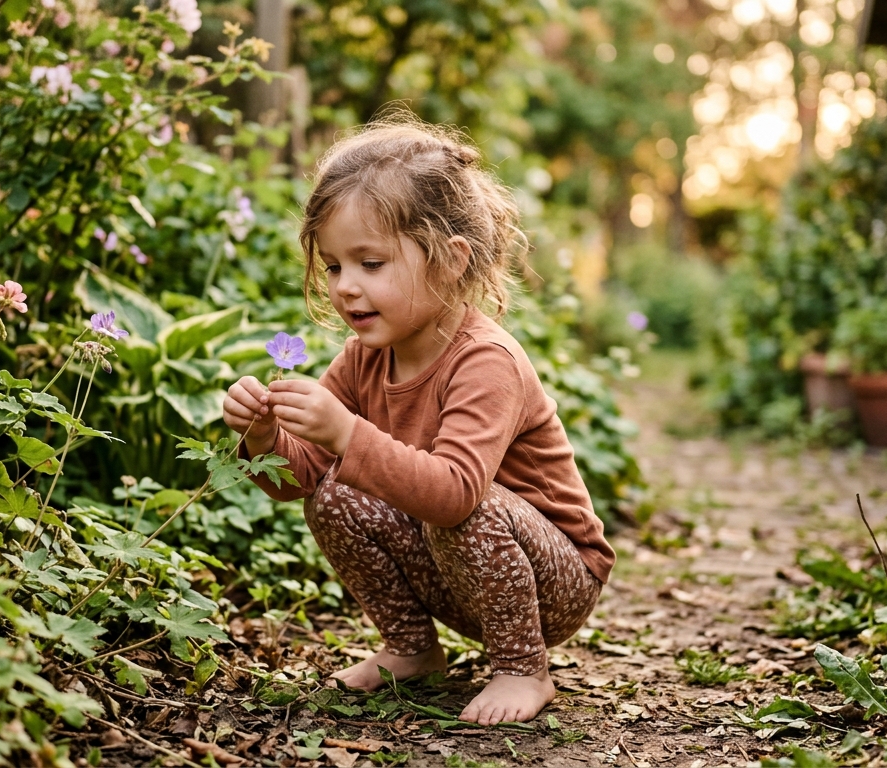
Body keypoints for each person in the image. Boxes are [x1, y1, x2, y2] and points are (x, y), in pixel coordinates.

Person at [220, 116, 614, 725]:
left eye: (371, 263)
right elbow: (300, 481)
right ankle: (411, 650)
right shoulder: (362, 358)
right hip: (459, 571)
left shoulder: (486, 361)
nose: (346, 287)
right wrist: (264, 437)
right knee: (332, 496)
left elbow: (455, 496)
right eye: (334, 267)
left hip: (554, 582)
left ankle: (522, 669)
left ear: (451, 260)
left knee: (469, 505)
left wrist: (346, 433)